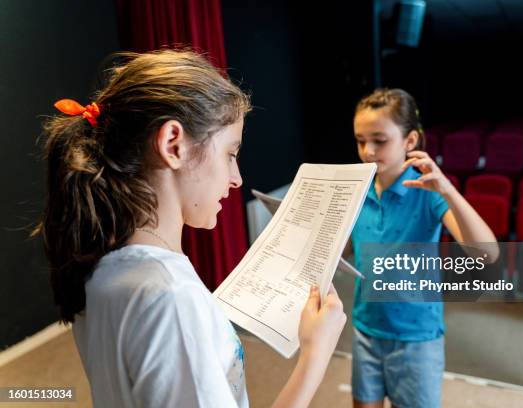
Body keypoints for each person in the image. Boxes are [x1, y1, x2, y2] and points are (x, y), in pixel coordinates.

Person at [33, 49, 346, 408]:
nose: (236, 178)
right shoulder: (171, 297)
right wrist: (315, 356)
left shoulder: (103, 266)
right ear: (173, 145)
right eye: (230, 153)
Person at [346, 88, 499, 408]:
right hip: (367, 328)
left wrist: (448, 190)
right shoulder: (357, 189)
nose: (368, 151)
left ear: (410, 142)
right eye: (361, 140)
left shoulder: (427, 191)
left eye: (380, 140)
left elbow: (487, 254)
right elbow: (349, 249)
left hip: (416, 338)